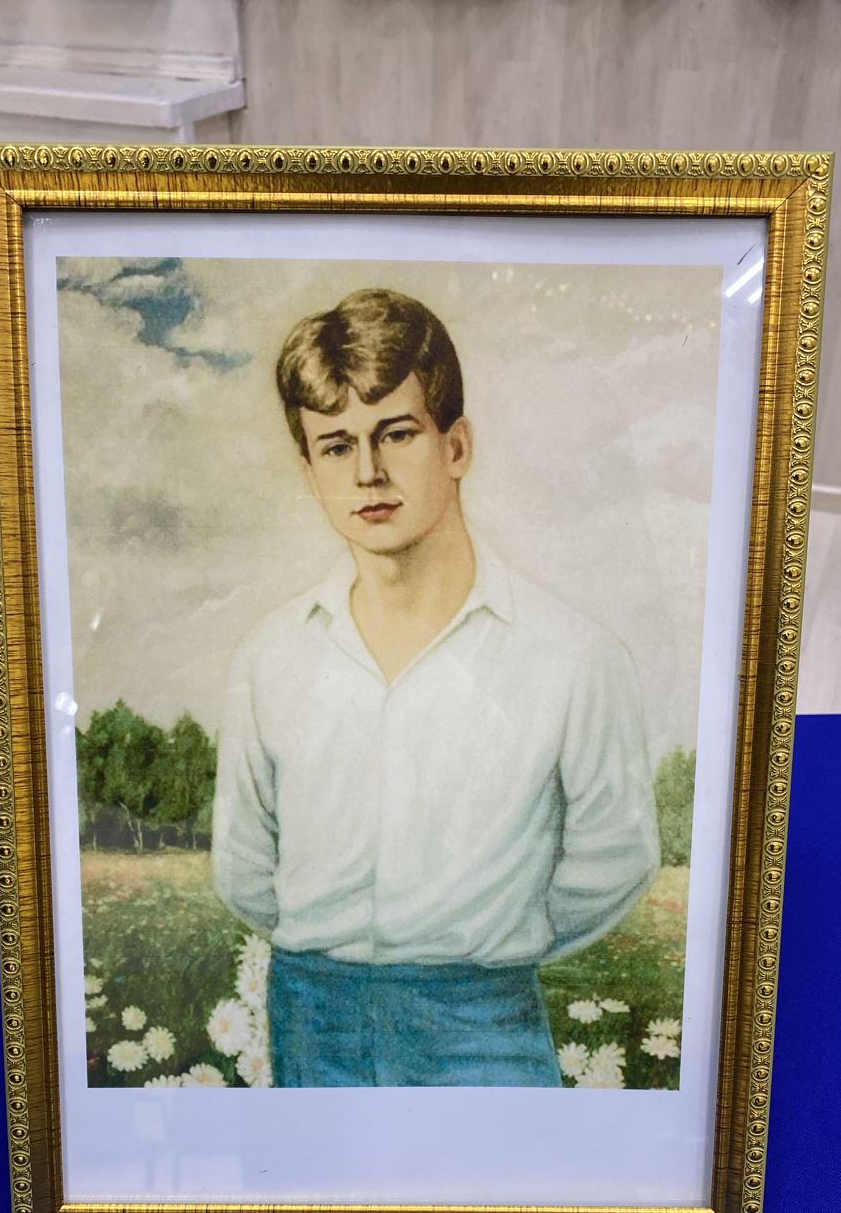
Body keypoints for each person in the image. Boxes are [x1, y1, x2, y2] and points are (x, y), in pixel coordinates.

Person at [212, 288, 659, 1087]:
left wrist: (492, 942)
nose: (369, 473)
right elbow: (245, 867)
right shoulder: (270, 656)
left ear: (456, 446)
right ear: (309, 470)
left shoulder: (574, 656)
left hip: (483, 1021)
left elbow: (615, 858)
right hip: (313, 1017)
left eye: (396, 434)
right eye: (337, 446)